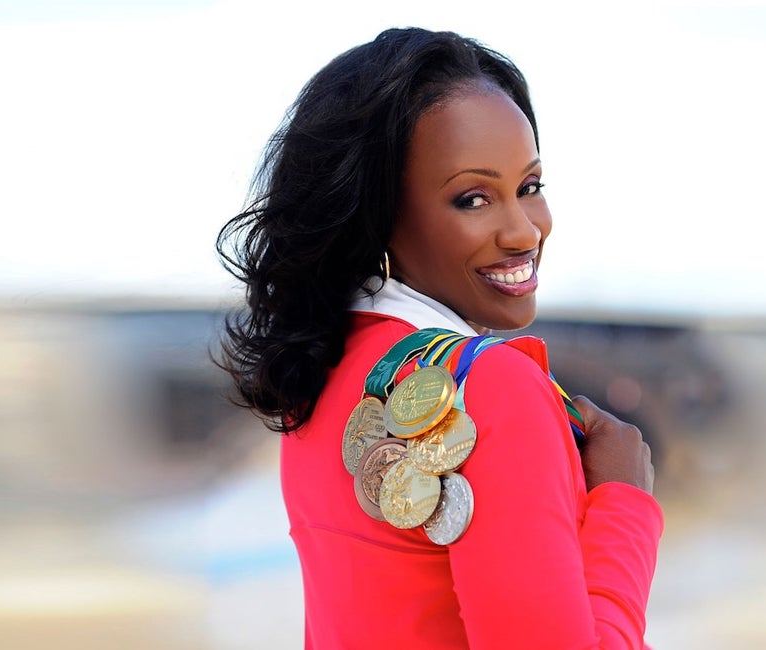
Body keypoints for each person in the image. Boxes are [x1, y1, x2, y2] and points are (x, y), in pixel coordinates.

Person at [216, 27, 662, 649]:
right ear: (378, 215)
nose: (524, 232)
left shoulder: (320, 372)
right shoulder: (491, 389)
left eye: (529, 187)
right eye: (473, 199)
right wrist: (624, 504)